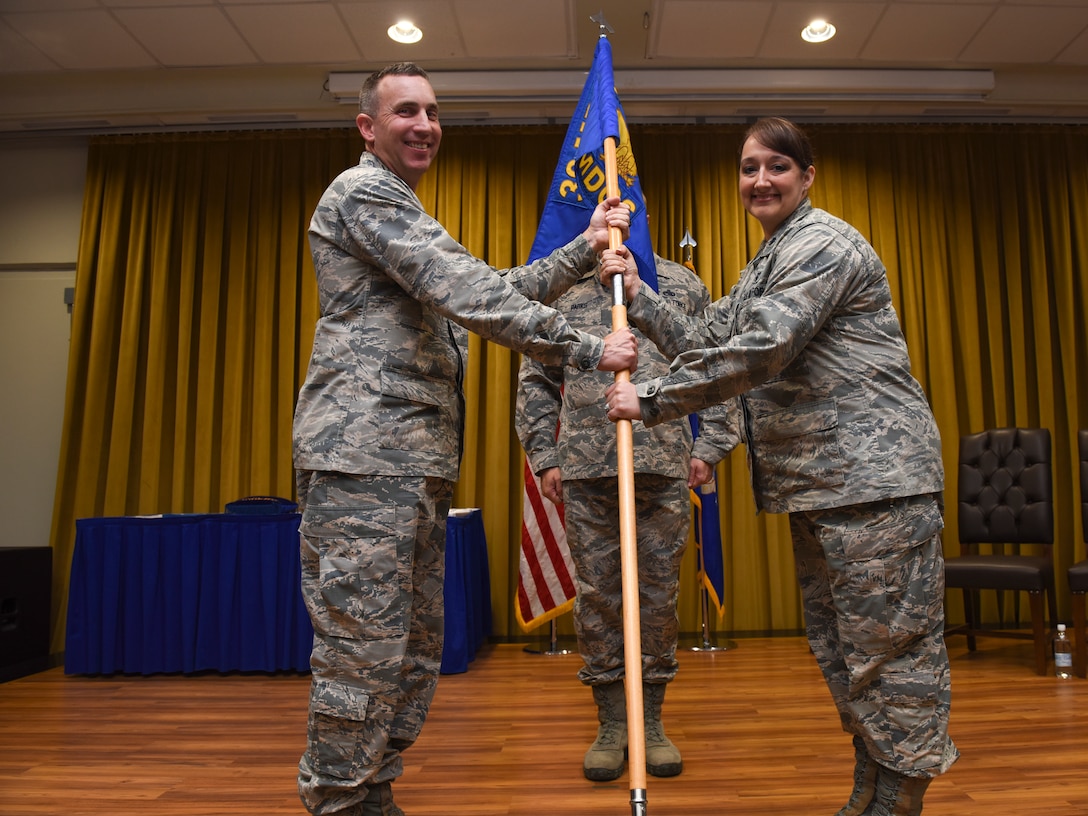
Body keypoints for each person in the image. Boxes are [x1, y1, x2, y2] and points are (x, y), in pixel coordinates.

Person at [292, 62, 638, 816]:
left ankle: (372, 794)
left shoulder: (404, 215)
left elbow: (485, 289)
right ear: (367, 127)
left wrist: (582, 250)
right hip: (364, 464)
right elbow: (466, 290)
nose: (424, 125)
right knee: (363, 656)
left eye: (433, 112)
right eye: (406, 111)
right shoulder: (363, 193)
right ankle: (340, 802)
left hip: (408, 465)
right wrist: (584, 348)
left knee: (409, 655)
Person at [602, 117, 957, 816]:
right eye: (748, 168)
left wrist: (649, 399)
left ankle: (900, 800)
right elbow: (707, 335)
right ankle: (871, 789)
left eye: (777, 167)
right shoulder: (766, 261)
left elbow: (764, 346)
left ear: (807, 175)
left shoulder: (822, 244)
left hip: (874, 486)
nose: (759, 180)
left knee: (893, 659)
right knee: (845, 655)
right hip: (824, 488)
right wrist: (639, 299)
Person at [515, 251, 737, 782]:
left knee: (657, 598)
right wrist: (545, 457)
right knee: (599, 599)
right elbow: (536, 381)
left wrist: (711, 446)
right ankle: (612, 723)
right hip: (588, 471)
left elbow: (716, 366)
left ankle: (652, 722)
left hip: (662, 464)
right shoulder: (564, 290)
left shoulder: (677, 285)